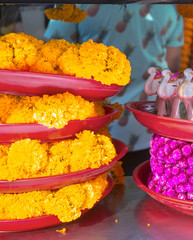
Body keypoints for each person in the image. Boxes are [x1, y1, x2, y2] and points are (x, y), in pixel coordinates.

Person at [45, 4, 184, 175]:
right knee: (141, 187)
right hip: (149, 126)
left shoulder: (73, 5)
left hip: (93, 126)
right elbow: (173, 68)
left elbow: (51, 57)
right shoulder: (168, 7)